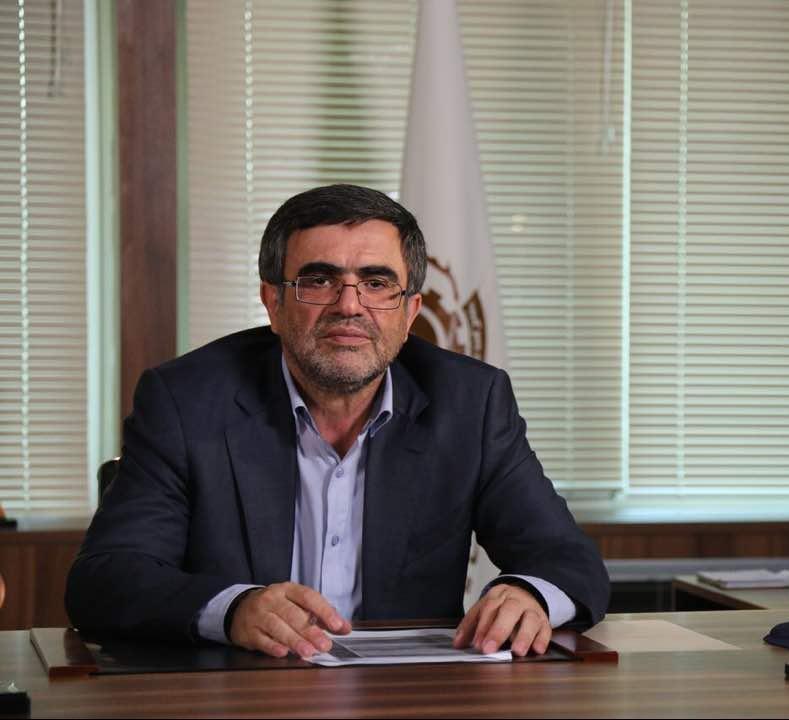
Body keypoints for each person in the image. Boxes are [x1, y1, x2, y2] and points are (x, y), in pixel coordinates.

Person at [65, 184, 609, 659]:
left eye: (376, 283)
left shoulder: (469, 404)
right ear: (273, 302)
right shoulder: (186, 401)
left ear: (410, 312)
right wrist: (233, 609)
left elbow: (569, 562)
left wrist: (531, 595)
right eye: (319, 280)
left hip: (408, 696)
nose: (349, 305)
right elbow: (106, 579)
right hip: (239, 692)